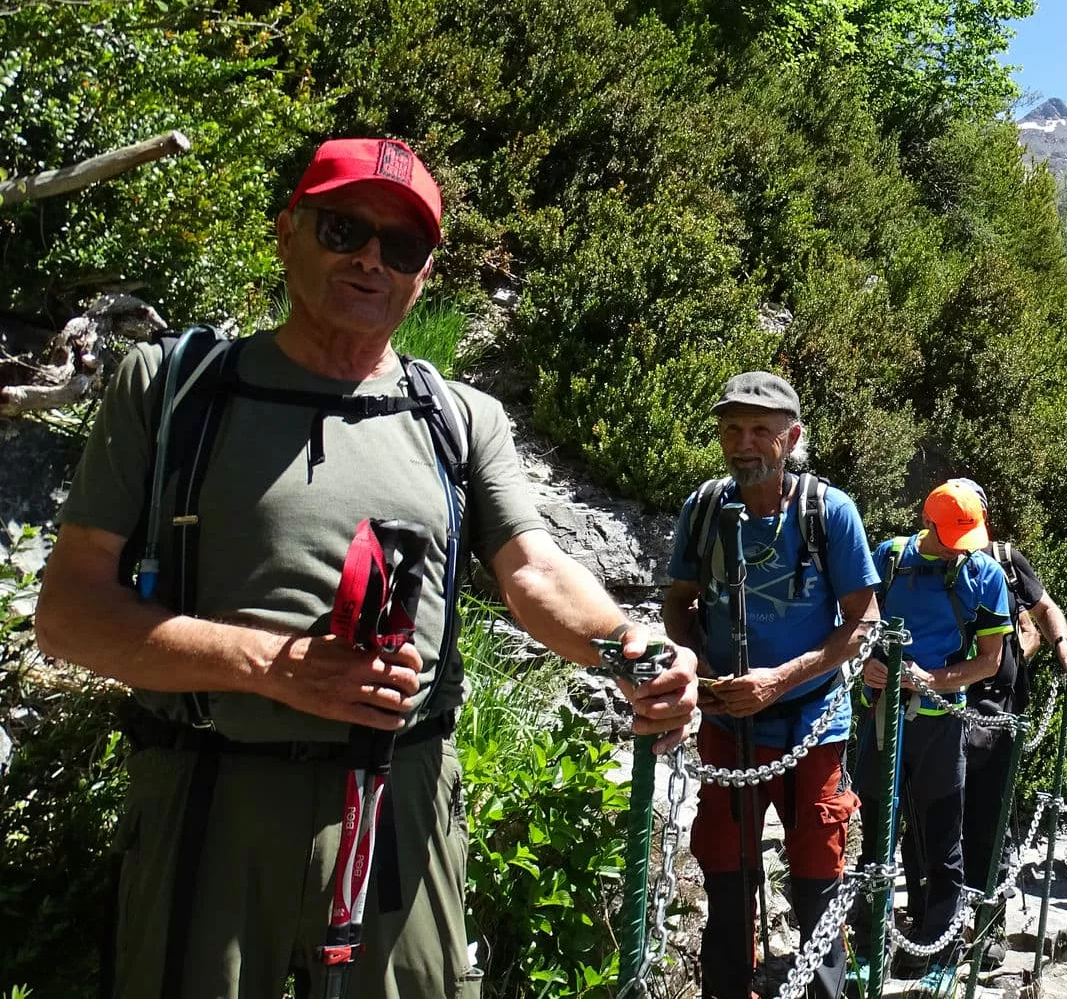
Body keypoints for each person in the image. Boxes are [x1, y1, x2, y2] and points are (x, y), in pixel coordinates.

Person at [35, 138, 699, 999]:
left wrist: (626, 646)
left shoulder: (459, 417)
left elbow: (532, 569)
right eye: (344, 228)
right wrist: (272, 668)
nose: (371, 259)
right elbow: (71, 613)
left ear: (425, 273)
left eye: (403, 246)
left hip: (403, 801)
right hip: (209, 798)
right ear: (287, 232)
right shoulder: (171, 389)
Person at [662, 371, 882, 999]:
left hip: (813, 723)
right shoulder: (705, 509)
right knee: (727, 875)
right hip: (730, 724)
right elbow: (679, 601)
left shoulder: (828, 513)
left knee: (819, 874)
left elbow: (862, 624)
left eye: (761, 429)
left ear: (791, 438)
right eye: (732, 429)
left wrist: (781, 678)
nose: (743, 443)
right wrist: (700, 664)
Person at [857, 481, 1012, 984]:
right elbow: (856, 626)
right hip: (882, 716)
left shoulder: (985, 572)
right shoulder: (888, 558)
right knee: (874, 836)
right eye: (953, 539)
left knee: (944, 839)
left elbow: (989, 663)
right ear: (929, 525)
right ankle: (867, 947)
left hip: (943, 721)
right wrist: (868, 665)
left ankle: (941, 954)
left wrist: (931, 680)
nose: (962, 552)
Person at [944, 478, 1067, 968]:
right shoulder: (922, 562)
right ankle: (938, 924)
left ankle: (988, 928)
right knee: (938, 816)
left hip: (996, 710)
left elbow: (1044, 609)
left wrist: (1059, 644)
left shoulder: (1005, 559)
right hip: (938, 707)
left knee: (990, 819)